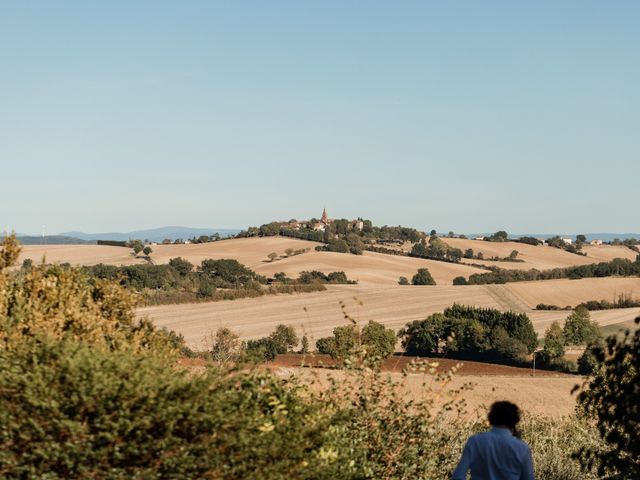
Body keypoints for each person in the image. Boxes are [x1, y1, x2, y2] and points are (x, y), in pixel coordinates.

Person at [452, 401, 534, 480]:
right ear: (515, 421)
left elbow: (458, 476)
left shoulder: (475, 441)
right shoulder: (522, 448)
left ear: (491, 418)